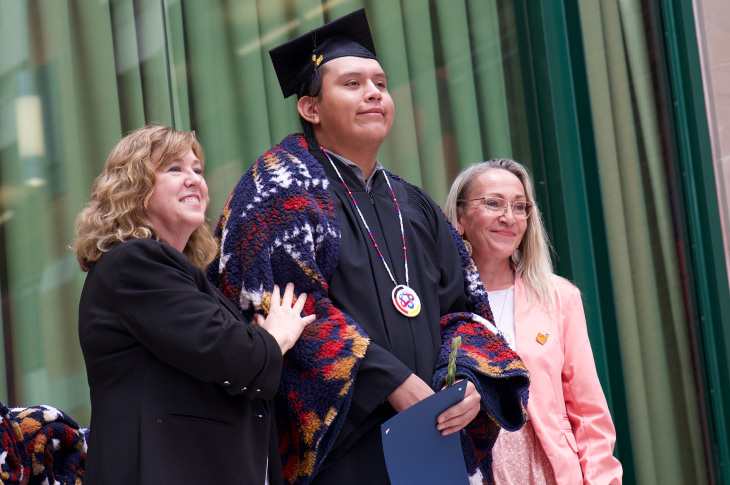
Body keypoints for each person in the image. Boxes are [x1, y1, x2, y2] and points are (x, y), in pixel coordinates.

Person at [207, 9, 530, 485]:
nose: (374, 93)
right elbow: (284, 312)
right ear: (310, 109)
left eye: (380, 82)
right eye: (352, 84)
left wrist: (468, 382)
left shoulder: (414, 203)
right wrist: (391, 381)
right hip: (340, 453)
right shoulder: (276, 191)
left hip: (428, 440)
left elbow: (465, 310)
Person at [72, 125, 315, 484]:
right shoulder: (135, 262)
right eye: (174, 169)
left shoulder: (175, 274)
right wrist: (275, 336)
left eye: (197, 171)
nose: (193, 180)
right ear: (134, 186)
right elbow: (230, 352)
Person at [445, 159, 623, 484]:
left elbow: (589, 413)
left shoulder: (559, 297)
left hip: (549, 473)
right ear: (459, 217)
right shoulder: (438, 302)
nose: (508, 217)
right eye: (493, 203)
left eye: (519, 206)